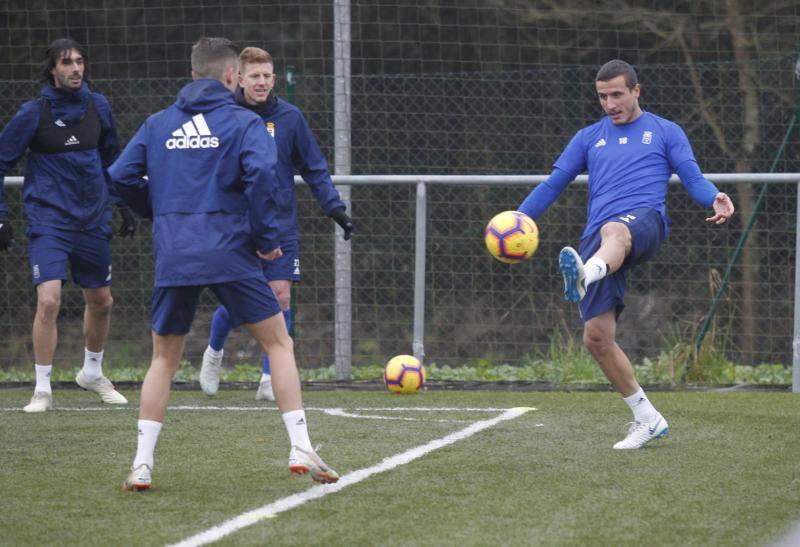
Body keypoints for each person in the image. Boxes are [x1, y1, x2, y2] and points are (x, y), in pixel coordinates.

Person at [109, 37, 339, 491]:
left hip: (176, 252)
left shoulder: (158, 124)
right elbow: (262, 178)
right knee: (278, 343)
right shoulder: (242, 121)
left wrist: (156, 210)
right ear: (232, 76)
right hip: (231, 250)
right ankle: (300, 445)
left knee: (164, 359)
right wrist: (266, 239)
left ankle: (141, 464)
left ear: (192, 73)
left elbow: (119, 176)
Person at [517, 59, 734, 449]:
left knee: (614, 229)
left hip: (645, 224)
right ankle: (647, 417)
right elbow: (553, 185)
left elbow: (692, 178)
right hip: (598, 242)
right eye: (603, 96)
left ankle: (587, 273)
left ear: (637, 91)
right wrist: (518, 217)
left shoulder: (665, 131)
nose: (610, 103)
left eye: (617, 94)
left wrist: (714, 197)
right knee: (597, 339)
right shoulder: (588, 137)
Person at [199, 46, 353, 401]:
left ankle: (269, 379)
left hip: (279, 224)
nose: (263, 82)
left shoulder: (290, 118)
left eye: (268, 75)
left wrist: (335, 208)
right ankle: (214, 350)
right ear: (237, 78)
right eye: (255, 76)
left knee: (279, 297)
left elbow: (314, 167)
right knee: (240, 301)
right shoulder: (225, 116)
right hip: (235, 225)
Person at [0, 38, 135, 413]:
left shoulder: (98, 106)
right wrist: (2, 215)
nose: (75, 68)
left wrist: (122, 202)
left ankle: (92, 372)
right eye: (66, 62)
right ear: (52, 71)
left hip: (92, 220)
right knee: (49, 300)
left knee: (102, 301)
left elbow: (113, 158)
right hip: (50, 222)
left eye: (79, 61)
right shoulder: (33, 113)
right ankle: (42, 388)